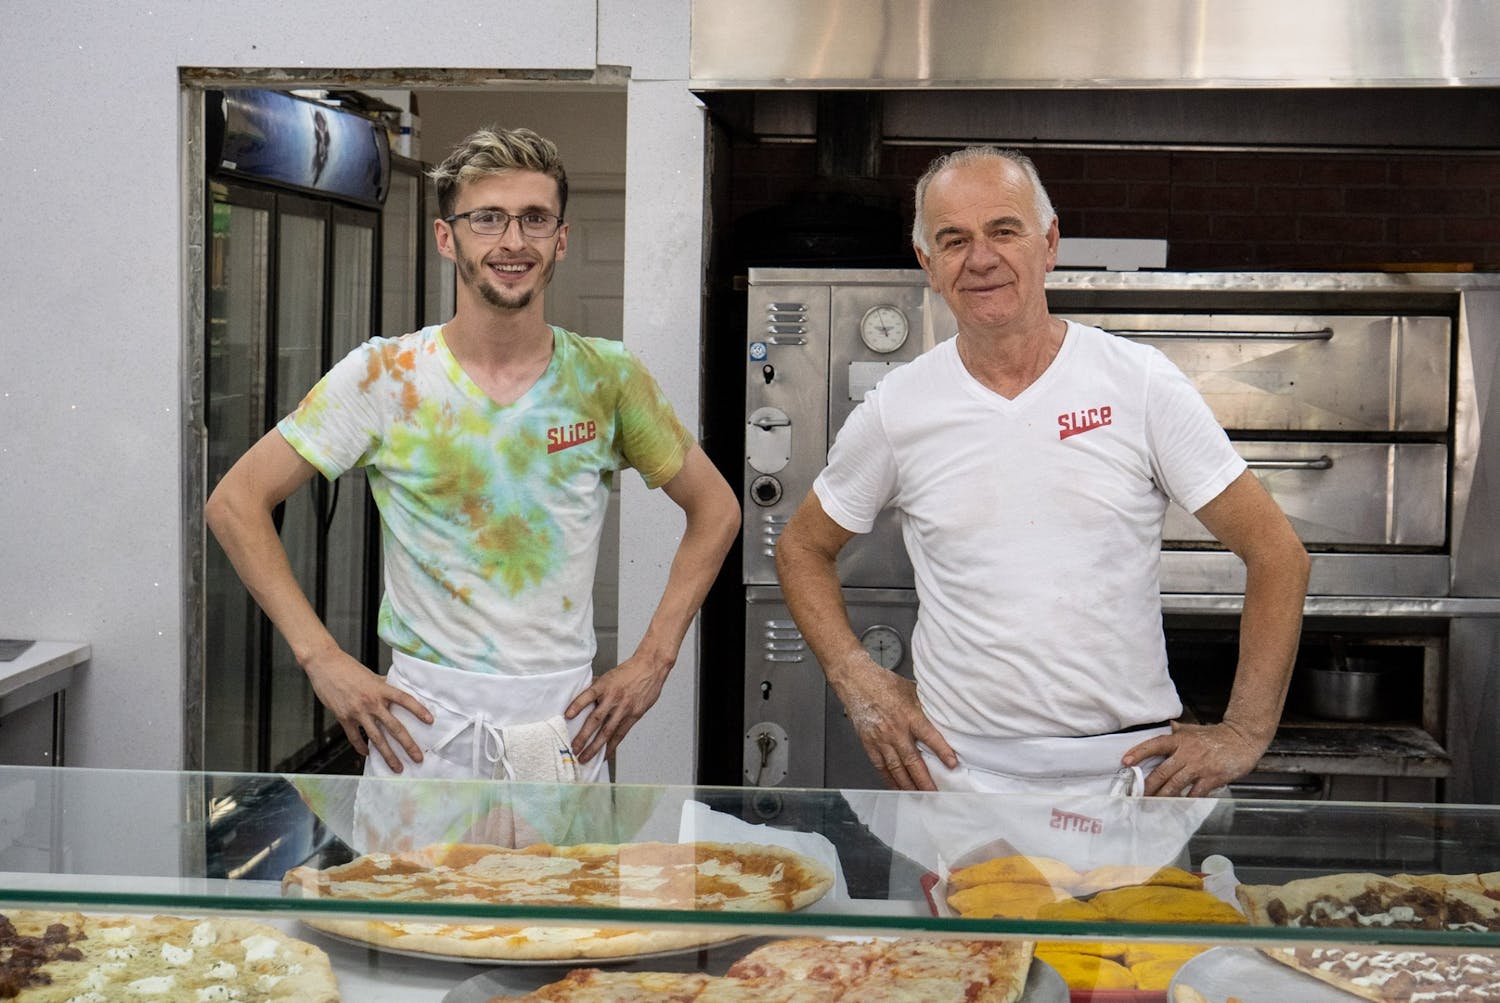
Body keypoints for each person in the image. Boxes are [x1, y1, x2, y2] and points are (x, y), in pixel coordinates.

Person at [206, 126, 740, 796]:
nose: (512, 241)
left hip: (563, 735)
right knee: (411, 905)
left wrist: (655, 659)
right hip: (424, 737)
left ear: (561, 241)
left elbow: (716, 508)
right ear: (446, 236)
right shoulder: (386, 375)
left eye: (535, 219)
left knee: (562, 904)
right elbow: (235, 502)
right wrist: (322, 658)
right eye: (487, 218)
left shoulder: (608, 378)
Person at [775, 146, 1310, 800]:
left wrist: (1244, 731)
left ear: (1049, 243)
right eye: (953, 240)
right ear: (928, 266)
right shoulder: (899, 406)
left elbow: (1277, 552)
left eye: (1004, 230)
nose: (981, 258)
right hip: (958, 774)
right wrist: (860, 680)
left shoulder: (1137, 384)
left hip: (1126, 771)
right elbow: (802, 546)